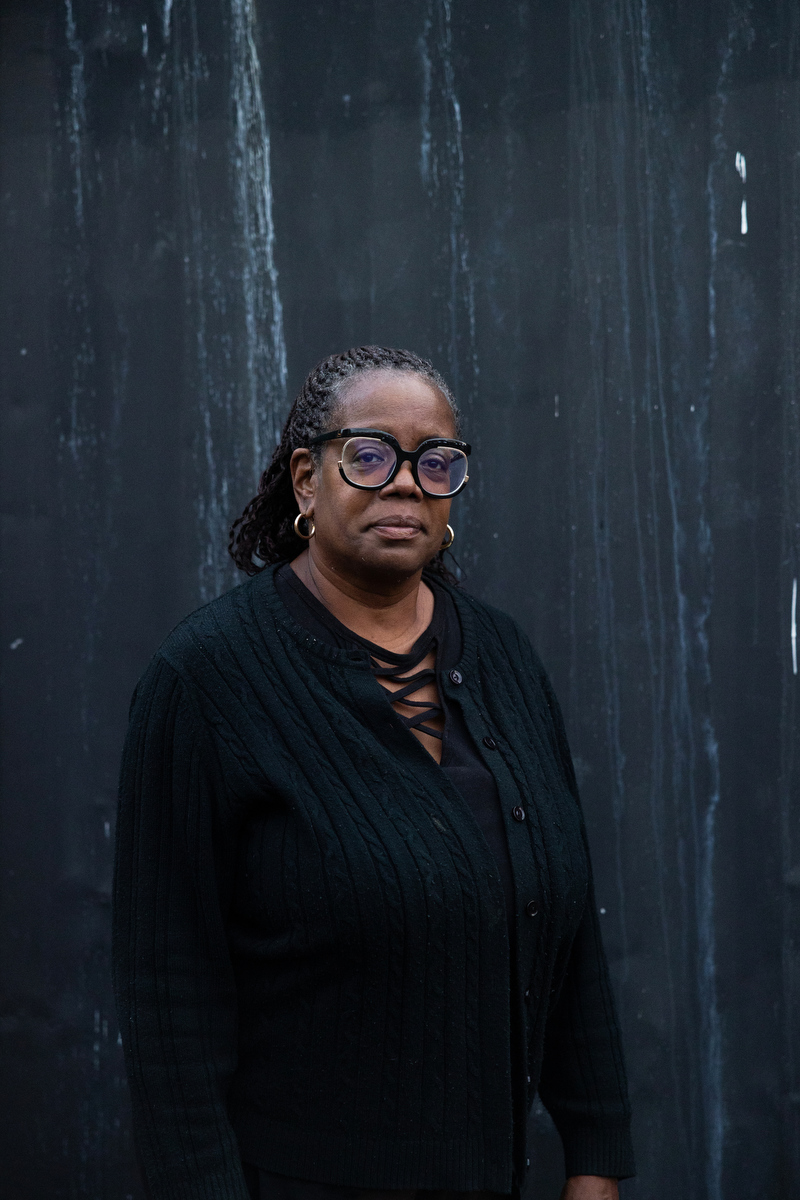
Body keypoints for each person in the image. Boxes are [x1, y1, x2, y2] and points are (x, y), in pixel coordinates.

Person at [113, 346, 635, 1200]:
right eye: (369, 455)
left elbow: (564, 920)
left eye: (436, 462)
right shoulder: (206, 680)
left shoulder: (502, 656)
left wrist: (597, 1160)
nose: (405, 483)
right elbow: (169, 1002)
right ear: (305, 481)